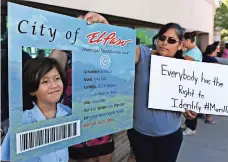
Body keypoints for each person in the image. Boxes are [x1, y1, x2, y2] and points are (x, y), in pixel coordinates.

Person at [127, 23, 197, 162]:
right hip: (140, 135)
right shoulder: (142, 54)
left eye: (171, 40)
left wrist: (189, 112)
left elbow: (188, 101)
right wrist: (103, 23)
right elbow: (116, 48)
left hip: (170, 136)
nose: (164, 43)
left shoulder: (185, 68)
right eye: (162, 38)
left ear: (180, 45)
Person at [49, 13, 114, 162]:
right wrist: (67, 35)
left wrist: (104, 23)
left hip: (103, 124)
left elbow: (120, 51)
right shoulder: (67, 51)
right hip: (75, 124)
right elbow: (49, 66)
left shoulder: (106, 51)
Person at [1, 57, 71, 162]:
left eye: (57, 78)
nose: (54, 85)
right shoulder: (21, 123)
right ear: (32, 90)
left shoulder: (69, 113)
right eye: (45, 81)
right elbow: (6, 158)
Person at [182, 31, 202, 136]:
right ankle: (188, 124)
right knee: (187, 104)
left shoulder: (193, 52)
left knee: (191, 105)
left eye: (184, 40)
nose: (183, 42)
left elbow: (183, 62)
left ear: (189, 40)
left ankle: (191, 128)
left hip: (192, 82)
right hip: (188, 81)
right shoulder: (189, 50)